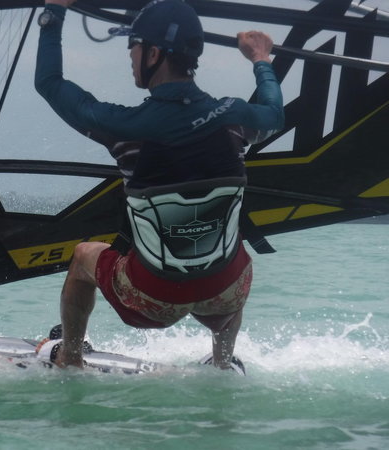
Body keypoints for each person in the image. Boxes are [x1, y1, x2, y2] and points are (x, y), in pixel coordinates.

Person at [34, 0, 284, 370]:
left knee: (84, 254)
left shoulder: (121, 127)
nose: (130, 57)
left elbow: (49, 83)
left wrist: (52, 13)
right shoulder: (236, 119)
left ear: (153, 53)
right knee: (232, 247)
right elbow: (275, 113)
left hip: (151, 301)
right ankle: (223, 363)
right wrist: (261, 59)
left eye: (132, 47)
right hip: (224, 295)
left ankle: (69, 359)